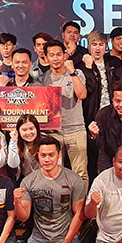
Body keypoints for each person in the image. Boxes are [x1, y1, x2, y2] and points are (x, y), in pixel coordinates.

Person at [14, 136, 88, 243]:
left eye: (51, 155)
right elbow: (23, 217)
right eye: (43, 155)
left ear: (59, 155)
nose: (47, 159)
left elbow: (79, 215)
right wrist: (16, 202)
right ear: (38, 156)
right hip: (38, 238)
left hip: (66, 237)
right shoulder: (28, 181)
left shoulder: (74, 180)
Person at [40, 40, 89, 182]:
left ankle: (80, 198)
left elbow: (82, 95)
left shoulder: (77, 73)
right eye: (51, 55)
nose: (55, 58)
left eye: (58, 54)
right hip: (53, 132)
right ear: (46, 58)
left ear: (64, 56)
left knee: (80, 174)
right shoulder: (42, 79)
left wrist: (72, 72)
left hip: (76, 130)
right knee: (53, 173)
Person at [81, 31, 114, 124]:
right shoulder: (82, 67)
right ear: (89, 46)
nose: (98, 48)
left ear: (106, 46)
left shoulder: (112, 65)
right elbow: (89, 89)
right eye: (94, 44)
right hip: (91, 115)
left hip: (111, 114)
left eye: (101, 44)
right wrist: (88, 68)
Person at [6, 114, 42, 178]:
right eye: (24, 130)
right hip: (24, 178)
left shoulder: (45, 142)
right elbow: (13, 165)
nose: (28, 133)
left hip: (43, 178)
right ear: (18, 131)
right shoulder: (15, 143)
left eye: (31, 129)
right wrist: (13, 141)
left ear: (37, 129)